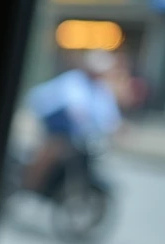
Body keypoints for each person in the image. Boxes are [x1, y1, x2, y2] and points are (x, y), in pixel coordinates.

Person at [22, 50, 122, 191]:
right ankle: (31, 184)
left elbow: (109, 114)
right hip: (51, 118)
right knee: (55, 148)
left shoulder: (101, 88)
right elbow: (75, 107)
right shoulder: (74, 80)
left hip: (75, 130)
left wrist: (117, 129)